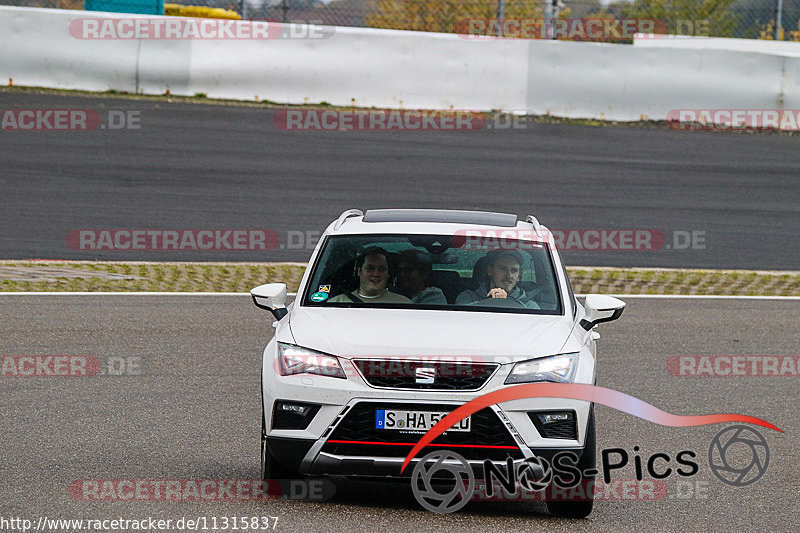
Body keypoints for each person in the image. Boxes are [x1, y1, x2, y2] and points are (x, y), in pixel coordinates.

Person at [455, 250, 540, 309]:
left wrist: (506, 303)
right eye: (502, 268)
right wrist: (493, 302)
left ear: (519, 276)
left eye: (514, 270)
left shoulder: (530, 306)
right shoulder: (468, 297)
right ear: (490, 271)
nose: (509, 275)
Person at [329, 247, 411, 303]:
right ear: (359, 271)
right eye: (370, 268)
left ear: (388, 274)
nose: (376, 274)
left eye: (381, 269)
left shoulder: (403, 303)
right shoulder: (336, 303)